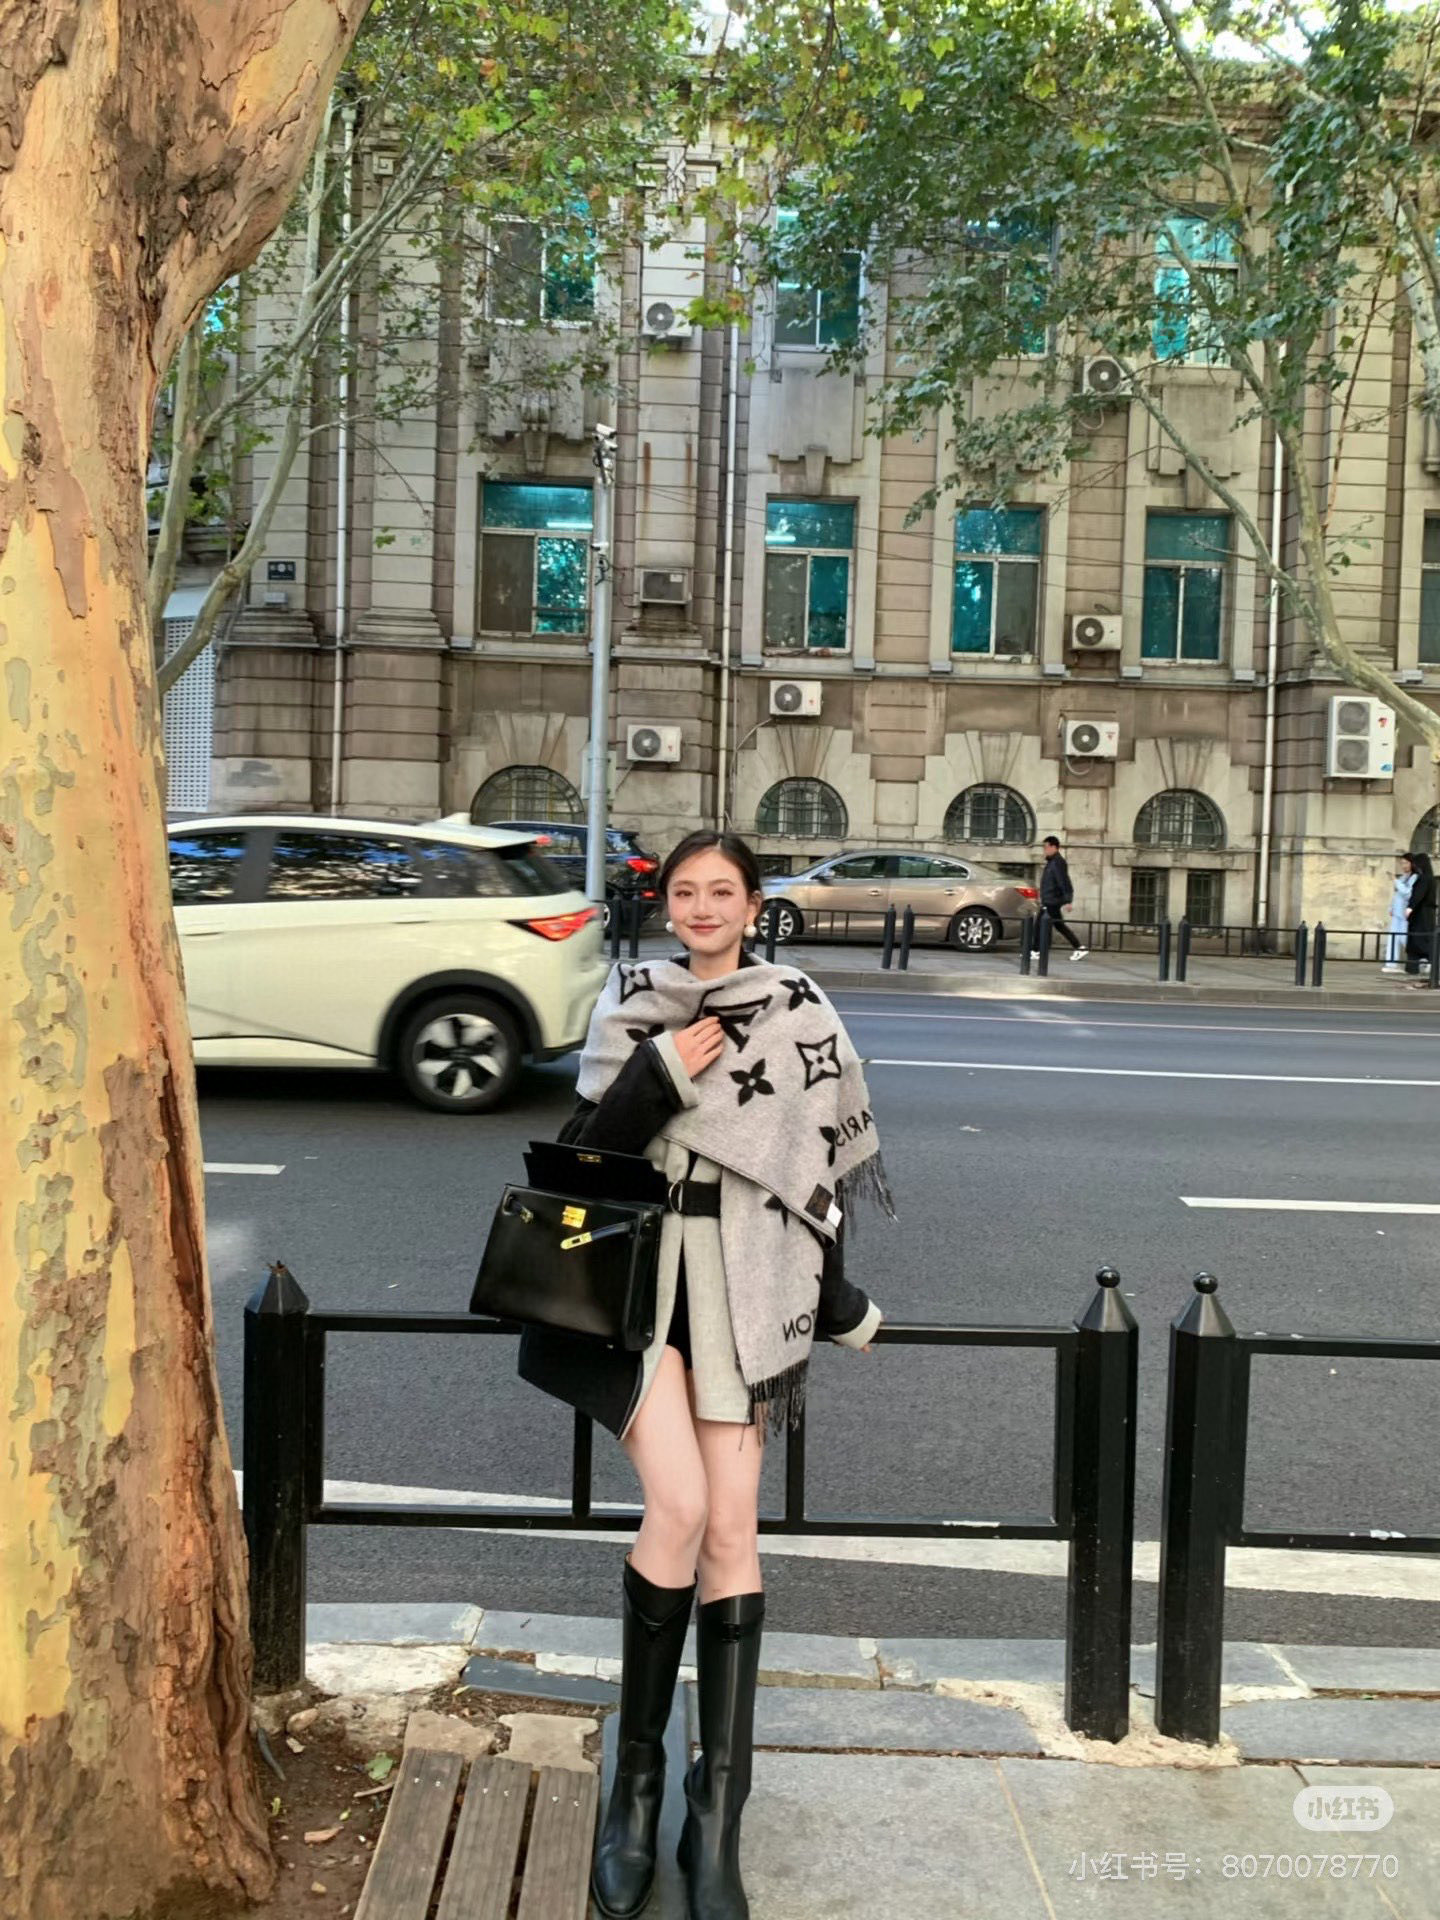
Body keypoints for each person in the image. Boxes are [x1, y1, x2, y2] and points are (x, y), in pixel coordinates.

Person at [516, 830, 889, 1920]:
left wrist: (834, 1299)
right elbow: (591, 1150)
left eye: (722, 891)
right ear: (666, 904)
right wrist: (662, 1072)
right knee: (676, 1507)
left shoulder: (799, 1008)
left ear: (754, 904)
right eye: (685, 891)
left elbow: (818, 1176)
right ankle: (635, 1788)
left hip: (747, 1291)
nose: (703, 907)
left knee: (731, 1533)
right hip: (640, 1291)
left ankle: (716, 1811)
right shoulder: (636, 1000)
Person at [1039, 834, 1088, 961]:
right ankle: (1079, 948)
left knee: (1041, 925)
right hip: (1049, 899)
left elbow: (1064, 881)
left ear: (1054, 847)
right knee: (1056, 925)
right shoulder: (1052, 862)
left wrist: (1068, 900)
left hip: (1052, 900)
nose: (1044, 850)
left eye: (1046, 847)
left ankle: (1036, 951)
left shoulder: (1058, 862)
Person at [1403, 849, 1436, 984]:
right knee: (1420, 941)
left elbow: (1418, 895)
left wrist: (1410, 907)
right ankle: (1412, 967)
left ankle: (1421, 966)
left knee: (1420, 940)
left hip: (1421, 915)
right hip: (1425, 914)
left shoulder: (1424, 879)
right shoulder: (1430, 878)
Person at [1383, 854, 1416, 973]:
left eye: (1406, 863)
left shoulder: (1414, 877)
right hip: (1397, 912)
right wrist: (1391, 907)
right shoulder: (1403, 877)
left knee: (1405, 938)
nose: (1403, 866)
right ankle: (1391, 964)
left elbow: (1407, 893)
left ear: (1412, 863)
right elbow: (1397, 894)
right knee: (1393, 938)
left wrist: (1395, 880)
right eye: (1402, 863)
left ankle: (1423, 961)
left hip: (1405, 913)